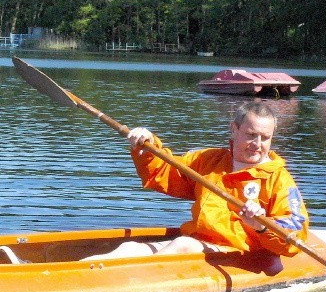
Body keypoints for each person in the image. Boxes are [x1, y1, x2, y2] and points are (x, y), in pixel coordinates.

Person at [84, 103, 308, 260]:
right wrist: (147, 146)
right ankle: (83, 274)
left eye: (265, 138)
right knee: (130, 248)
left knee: (183, 245)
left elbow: (295, 229)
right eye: (251, 134)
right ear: (234, 129)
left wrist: (261, 225)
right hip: (199, 243)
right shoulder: (208, 160)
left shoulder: (279, 179)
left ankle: (126, 284)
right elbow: (166, 175)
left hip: (239, 253)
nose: (257, 144)